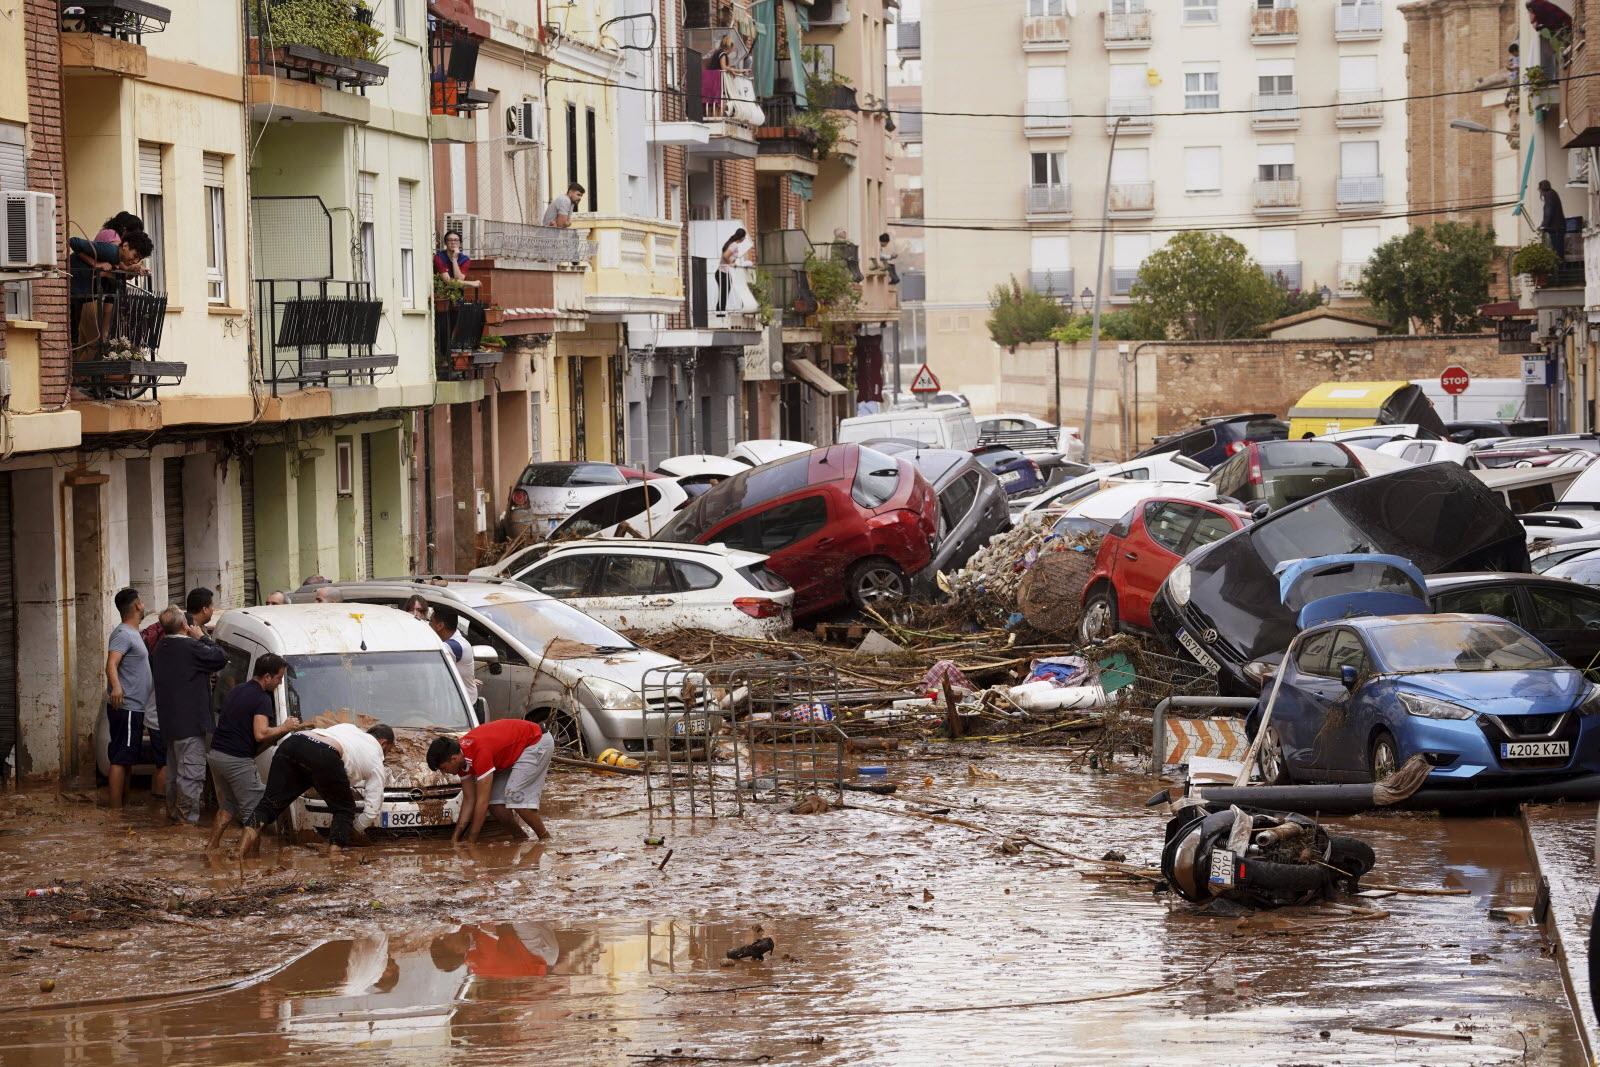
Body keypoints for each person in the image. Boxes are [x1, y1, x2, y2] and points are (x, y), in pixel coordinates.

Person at [237, 722, 395, 856]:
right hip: (325, 754)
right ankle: (335, 859)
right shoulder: (376, 759)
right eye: (388, 751)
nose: (386, 755)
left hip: (293, 743)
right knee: (344, 810)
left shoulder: (349, 728)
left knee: (268, 804)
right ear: (383, 743)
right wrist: (356, 829)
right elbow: (373, 807)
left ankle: (239, 855)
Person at [206, 654, 300, 851]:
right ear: (267, 677)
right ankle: (248, 860)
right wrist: (284, 727)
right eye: (278, 678)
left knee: (228, 805)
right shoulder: (261, 698)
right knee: (256, 811)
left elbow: (241, 728)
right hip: (235, 760)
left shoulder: (238, 690)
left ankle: (211, 848)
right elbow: (260, 733)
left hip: (216, 755)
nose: (280, 682)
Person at [150, 604, 227, 825]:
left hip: (169, 724)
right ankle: (186, 826)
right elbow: (220, 658)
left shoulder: (160, 648)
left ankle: (173, 817)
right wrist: (202, 637)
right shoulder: (191, 648)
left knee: (174, 776)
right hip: (191, 725)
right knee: (191, 776)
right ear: (185, 625)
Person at [426, 718, 554, 843]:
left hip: (537, 741)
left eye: (443, 768)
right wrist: (455, 838)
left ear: (453, 759)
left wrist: (471, 841)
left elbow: (482, 803)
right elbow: (469, 800)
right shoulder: (460, 761)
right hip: (515, 749)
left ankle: (546, 839)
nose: (444, 772)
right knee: (495, 804)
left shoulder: (479, 753)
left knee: (515, 796)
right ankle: (520, 838)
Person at [105, 587, 154, 809]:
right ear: (137, 605)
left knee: (127, 759)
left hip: (135, 707)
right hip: (127, 705)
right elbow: (111, 663)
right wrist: (116, 687)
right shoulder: (123, 633)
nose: (143, 604)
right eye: (141, 601)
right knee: (120, 757)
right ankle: (115, 811)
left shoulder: (134, 632)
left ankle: (123, 806)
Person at [428, 603, 477, 694]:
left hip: (462, 705)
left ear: (440, 626)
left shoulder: (452, 647)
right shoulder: (457, 637)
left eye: (431, 621)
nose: (428, 625)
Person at [702, 35, 749, 117]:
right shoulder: (723, 54)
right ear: (729, 47)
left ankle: (713, 115)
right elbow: (724, 67)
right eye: (732, 48)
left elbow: (726, 68)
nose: (732, 50)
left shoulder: (718, 52)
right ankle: (716, 116)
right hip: (716, 80)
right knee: (719, 101)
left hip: (711, 79)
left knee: (714, 103)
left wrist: (736, 72)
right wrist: (739, 71)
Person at [1540, 179, 1567, 257]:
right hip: (1559, 227)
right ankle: (1560, 267)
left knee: (1557, 251)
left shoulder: (1549, 195)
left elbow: (1549, 211)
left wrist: (1544, 225)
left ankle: (1559, 268)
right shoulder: (1553, 193)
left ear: (1542, 189)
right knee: (1559, 250)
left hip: (1555, 228)